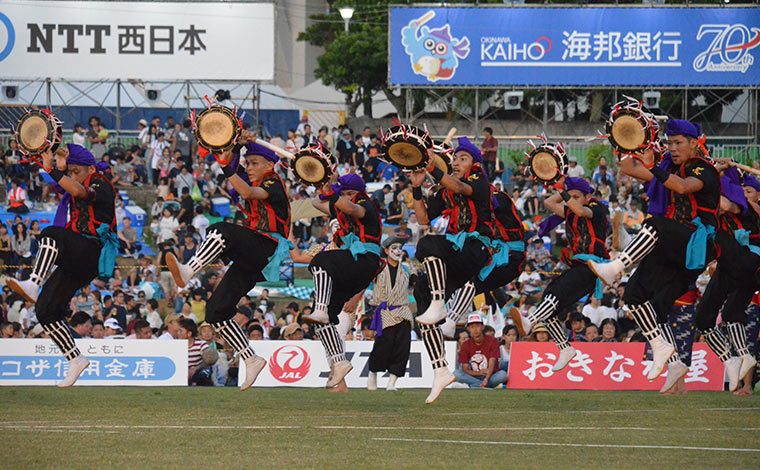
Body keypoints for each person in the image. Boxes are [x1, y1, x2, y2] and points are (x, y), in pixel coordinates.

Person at [588, 119, 720, 381]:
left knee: (656, 223)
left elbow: (682, 187)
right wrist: (627, 141)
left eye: (678, 143)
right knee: (634, 297)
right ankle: (661, 348)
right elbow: (629, 168)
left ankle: (617, 265)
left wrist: (651, 165)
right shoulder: (668, 167)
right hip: (674, 244)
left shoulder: (703, 168)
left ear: (695, 143)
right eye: (669, 142)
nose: (672, 147)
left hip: (698, 243)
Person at [165, 135, 292, 391]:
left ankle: (189, 270)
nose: (250, 167)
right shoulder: (259, 179)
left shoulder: (273, 182)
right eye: (248, 163)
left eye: (255, 163)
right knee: (215, 312)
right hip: (254, 256)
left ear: (269, 164)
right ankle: (251, 358)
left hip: (266, 247)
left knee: (222, 229)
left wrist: (227, 162)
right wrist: (235, 148)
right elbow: (236, 175)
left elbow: (244, 189)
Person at [7, 144, 116, 388]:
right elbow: (70, 186)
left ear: (89, 168)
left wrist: (55, 171)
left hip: (92, 250)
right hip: (77, 257)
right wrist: (56, 166)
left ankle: (34, 282)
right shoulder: (76, 184)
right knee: (46, 311)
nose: (72, 176)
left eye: (76, 171)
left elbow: (79, 190)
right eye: (71, 172)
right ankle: (75, 358)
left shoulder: (101, 182)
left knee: (52, 233)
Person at [409, 136, 494, 404]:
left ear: (474, 163)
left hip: (476, 249)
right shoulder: (446, 191)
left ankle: (439, 304)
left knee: (430, 243)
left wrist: (431, 165)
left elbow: (459, 185)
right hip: (457, 255)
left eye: (463, 158)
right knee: (421, 292)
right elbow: (423, 219)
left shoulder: (479, 179)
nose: (457, 162)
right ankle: (440, 370)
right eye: (455, 158)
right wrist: (416, 188)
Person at [302, 173, 383, 389]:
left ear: (359, 192)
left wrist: (334, 193)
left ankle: (319, 309)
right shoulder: (341, 207)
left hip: (365, 259)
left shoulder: (365, 203)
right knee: (323, 322)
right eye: (344, 193)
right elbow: (316, 203)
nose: (346, 197)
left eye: (350, 193)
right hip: (351, 266)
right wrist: (322, 183)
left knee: (321, 260)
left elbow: (352, 209)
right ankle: (339, 362)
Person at [525, 176, 609, 372]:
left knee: (556, 294)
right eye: (570, 197)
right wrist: (563, 188)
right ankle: (565, 348)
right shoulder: (570, 212)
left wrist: (565, 191)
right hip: (576, 265)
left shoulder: (597, 209)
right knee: (549, 298)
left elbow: (580, 210)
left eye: (577, 196)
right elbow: (548, 202)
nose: (572, 200)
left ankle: (529, 321)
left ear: (588, 196)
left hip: (592, 266)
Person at [691, 166, 759, 392]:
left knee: (714, 236)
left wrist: (707, 178)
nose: (745, 194)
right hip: (731, 266)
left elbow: (724, 203)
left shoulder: (745, 207)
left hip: (750, 263)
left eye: (749, 190)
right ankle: (737, 357)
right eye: (744, 190)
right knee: (706, 318)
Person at [367, 235, 414, 392]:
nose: (397, 251)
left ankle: (392, 382)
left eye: (400, 249)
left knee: (403, 346)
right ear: (386, 251)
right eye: (394, 248)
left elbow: (417, 283)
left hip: (403, 311)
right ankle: (373, 373)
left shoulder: (407, 270)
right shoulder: (377, 267)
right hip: (385, 311)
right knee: (383, 345)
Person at [453, 313, 507, 388]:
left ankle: (473, 386)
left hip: (491, 375)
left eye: (478, 326)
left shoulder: (492, 341)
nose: (475, 330)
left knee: (503, 375)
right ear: (468, 329)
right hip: (474, 376)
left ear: (483, 327)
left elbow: (492, 362)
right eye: (472, 327)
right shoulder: (466, 344)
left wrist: (487, 379)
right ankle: (482, 386)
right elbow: (465, 368)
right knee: (456, 373)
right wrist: (479, 373)